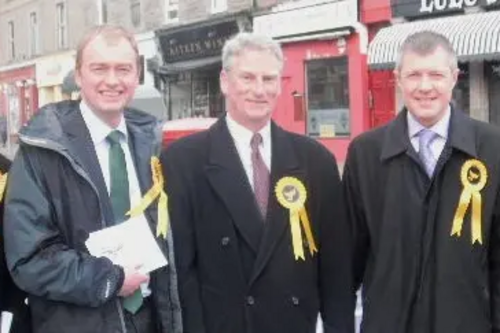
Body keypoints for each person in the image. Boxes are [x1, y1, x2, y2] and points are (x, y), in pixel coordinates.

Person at [161, 32, 354, 333]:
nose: (259, 90)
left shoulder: (316, 161)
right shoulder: (183, 161)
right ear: (225, 81)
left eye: (268, 79)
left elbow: (336, 268)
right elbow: (182, 274)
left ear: (280, 84)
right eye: (248, 78)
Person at [3, 25, 182, 333]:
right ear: (79, 74)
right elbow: (28, 259)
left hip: (150, 321)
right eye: (99, 68)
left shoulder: (155, 145)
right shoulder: (41, 152)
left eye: (123, 69)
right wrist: (109, 280)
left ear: (137, 74)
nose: (112, 80)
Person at [343, 30, 500, 333]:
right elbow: (348, 261)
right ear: (398, 78)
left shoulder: (492, 148)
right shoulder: (365, 153)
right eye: (414, 75)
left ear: (454, 77)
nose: (425, 86)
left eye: (436, 75)